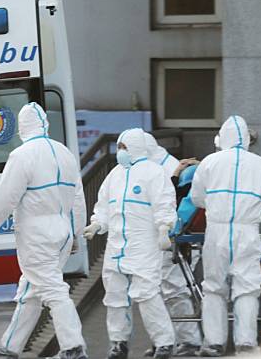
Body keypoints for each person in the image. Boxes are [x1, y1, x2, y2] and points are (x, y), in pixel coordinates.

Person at [0, 102, 87, 359]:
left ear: (22, 127)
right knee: (30, 291)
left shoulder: (23, 155)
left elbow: (6, 195)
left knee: (51, 290)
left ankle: (73, 347)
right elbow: (78, 198)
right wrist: (76, 233)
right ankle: (9, 348)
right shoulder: (65, 153)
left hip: (37, 234)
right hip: (62, 231)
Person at [190, 115, 261, 356]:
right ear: (247, 138)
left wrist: (216, 205)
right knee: (247, 287)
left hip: (216, 230)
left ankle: (214, 342)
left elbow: (196, 197)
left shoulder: (209, 162)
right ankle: (246, 343)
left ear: (221, 138)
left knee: (214, 287)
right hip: (247, 231)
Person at [83, 128, 176, 359]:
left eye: (123, 147)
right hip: (116, 246)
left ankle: (164, 343)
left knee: (146, 294)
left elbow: (164, 203)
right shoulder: (114, 174)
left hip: (143, 244)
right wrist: (96, 225)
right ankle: (118, 343)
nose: (120, 152)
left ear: (134, 147)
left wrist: (164, 228)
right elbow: (103, 206)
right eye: (119, 147)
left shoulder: (153, 173)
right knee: (115, 296)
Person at [143, 132, 202, 357]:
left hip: (177, 238)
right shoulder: (165, 166)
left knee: (173, 289)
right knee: (166, 290)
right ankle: (170, 341)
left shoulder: (163, 169)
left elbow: (173, 202)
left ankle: (188, 341)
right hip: (173, 237)